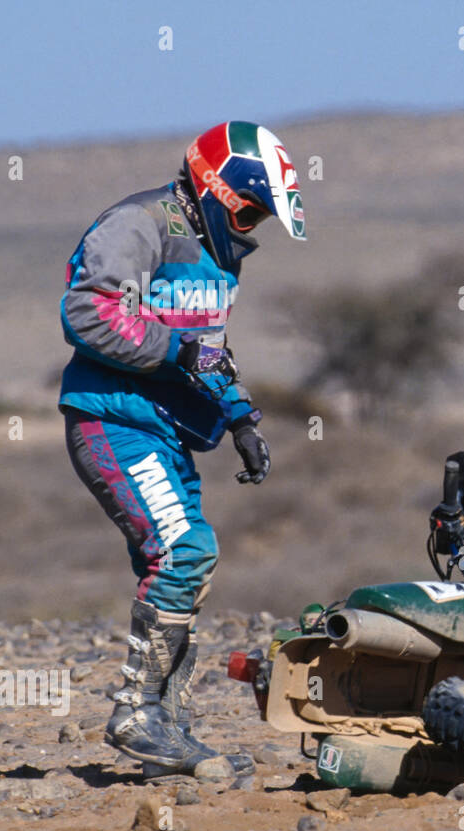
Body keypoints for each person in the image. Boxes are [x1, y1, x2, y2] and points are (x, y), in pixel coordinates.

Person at [58, 121, 306, 777]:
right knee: (185, 550)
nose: (253, 230)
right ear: (215, 190)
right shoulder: (139, 225)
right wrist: (176, 348)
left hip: (168, 432)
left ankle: (164, 726)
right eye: (249, 212)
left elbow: (208, 349)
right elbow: (87, 312)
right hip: (115, 421)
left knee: (182, 567)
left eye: (262, 219)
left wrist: (241, 417)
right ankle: (139, 719)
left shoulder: (212, 255)